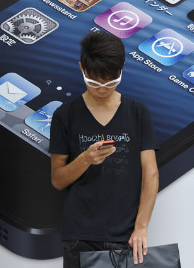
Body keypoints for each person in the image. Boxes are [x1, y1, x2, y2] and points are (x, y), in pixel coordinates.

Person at [49, 31, 159, 267]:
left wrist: (141, 226)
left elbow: (150, 173)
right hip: (79, 235)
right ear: (82, 68)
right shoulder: (65, 115)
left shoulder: (138, 113)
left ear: (122, 69)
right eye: (94, 82)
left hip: (127, 235)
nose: (102, 89)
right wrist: (85, 159)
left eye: (110, 82)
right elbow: (57, 180)